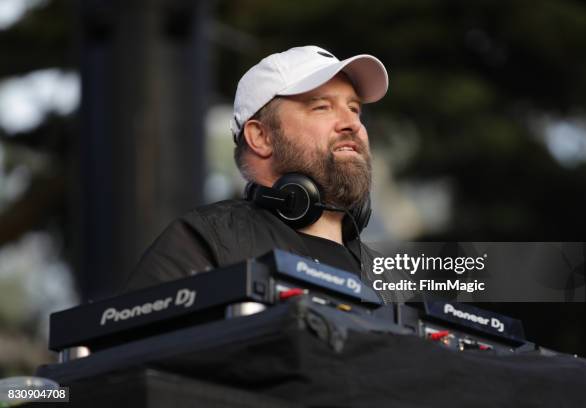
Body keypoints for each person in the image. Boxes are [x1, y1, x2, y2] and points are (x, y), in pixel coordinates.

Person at [123, 45, 388, 291]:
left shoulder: (389, 278)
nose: (351, 123)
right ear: (261, 137)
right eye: (322, 107)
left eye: (354, 109)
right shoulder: (208, 242)